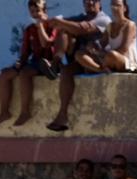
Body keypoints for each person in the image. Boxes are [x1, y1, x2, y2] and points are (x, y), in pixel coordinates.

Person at [46, 0, 113, 132]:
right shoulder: (79, 18)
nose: (90, 2)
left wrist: (60, 22)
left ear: (100, 3)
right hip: (79, 61)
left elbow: (82, 28)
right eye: (86, 0)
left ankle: (100, 69)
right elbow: (61, 25)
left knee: (70, 36)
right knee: (66, 70)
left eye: (93, 0)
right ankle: (62, 115)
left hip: (96, 61)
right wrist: (51, 22)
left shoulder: (104, 19)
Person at [0, 1, 59, 127]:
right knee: (5, 74)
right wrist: (19, 62)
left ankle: (25, 112)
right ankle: (4, 111)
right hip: (34, 62)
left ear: (44, 11)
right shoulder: (29, 29)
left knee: (25, 74)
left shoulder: (53, 26)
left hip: (48, 63)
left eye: (37, 11)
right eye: (32, 11)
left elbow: (46, 43)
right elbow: (25, 52)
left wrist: (40, 26)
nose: (35, 14)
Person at [76, 0, 137, 74]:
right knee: (79, 54)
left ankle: (97, 67)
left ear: (124, 8)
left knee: (112, 55)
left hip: (127, 62)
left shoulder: (130, 25)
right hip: (109, 59)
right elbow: (101, 44)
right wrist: (92, 46)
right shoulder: (110, 26)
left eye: (118, 5)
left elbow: (124, 49)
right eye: (112, 5)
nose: (115, 8)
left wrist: (102, 54)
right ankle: (100, 70)